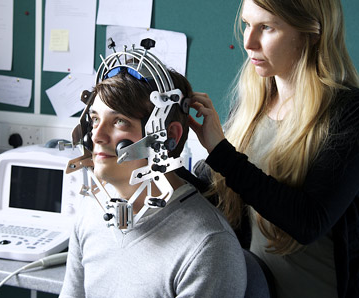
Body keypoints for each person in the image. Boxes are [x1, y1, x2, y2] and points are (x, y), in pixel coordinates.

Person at [189, 0, 359, 297]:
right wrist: (151, 159)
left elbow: (309, 221)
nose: (248, 42)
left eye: (266, 27)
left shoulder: (348, 112)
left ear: (312, 32)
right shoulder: (251, 105)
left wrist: (221, 152)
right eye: (246, 25)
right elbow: (212, 194)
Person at [59, 55, 247, 297]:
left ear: (168, 137)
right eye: (95, 119)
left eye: (119, 121)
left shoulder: (209, 247)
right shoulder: (90, 212)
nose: (97, 136)